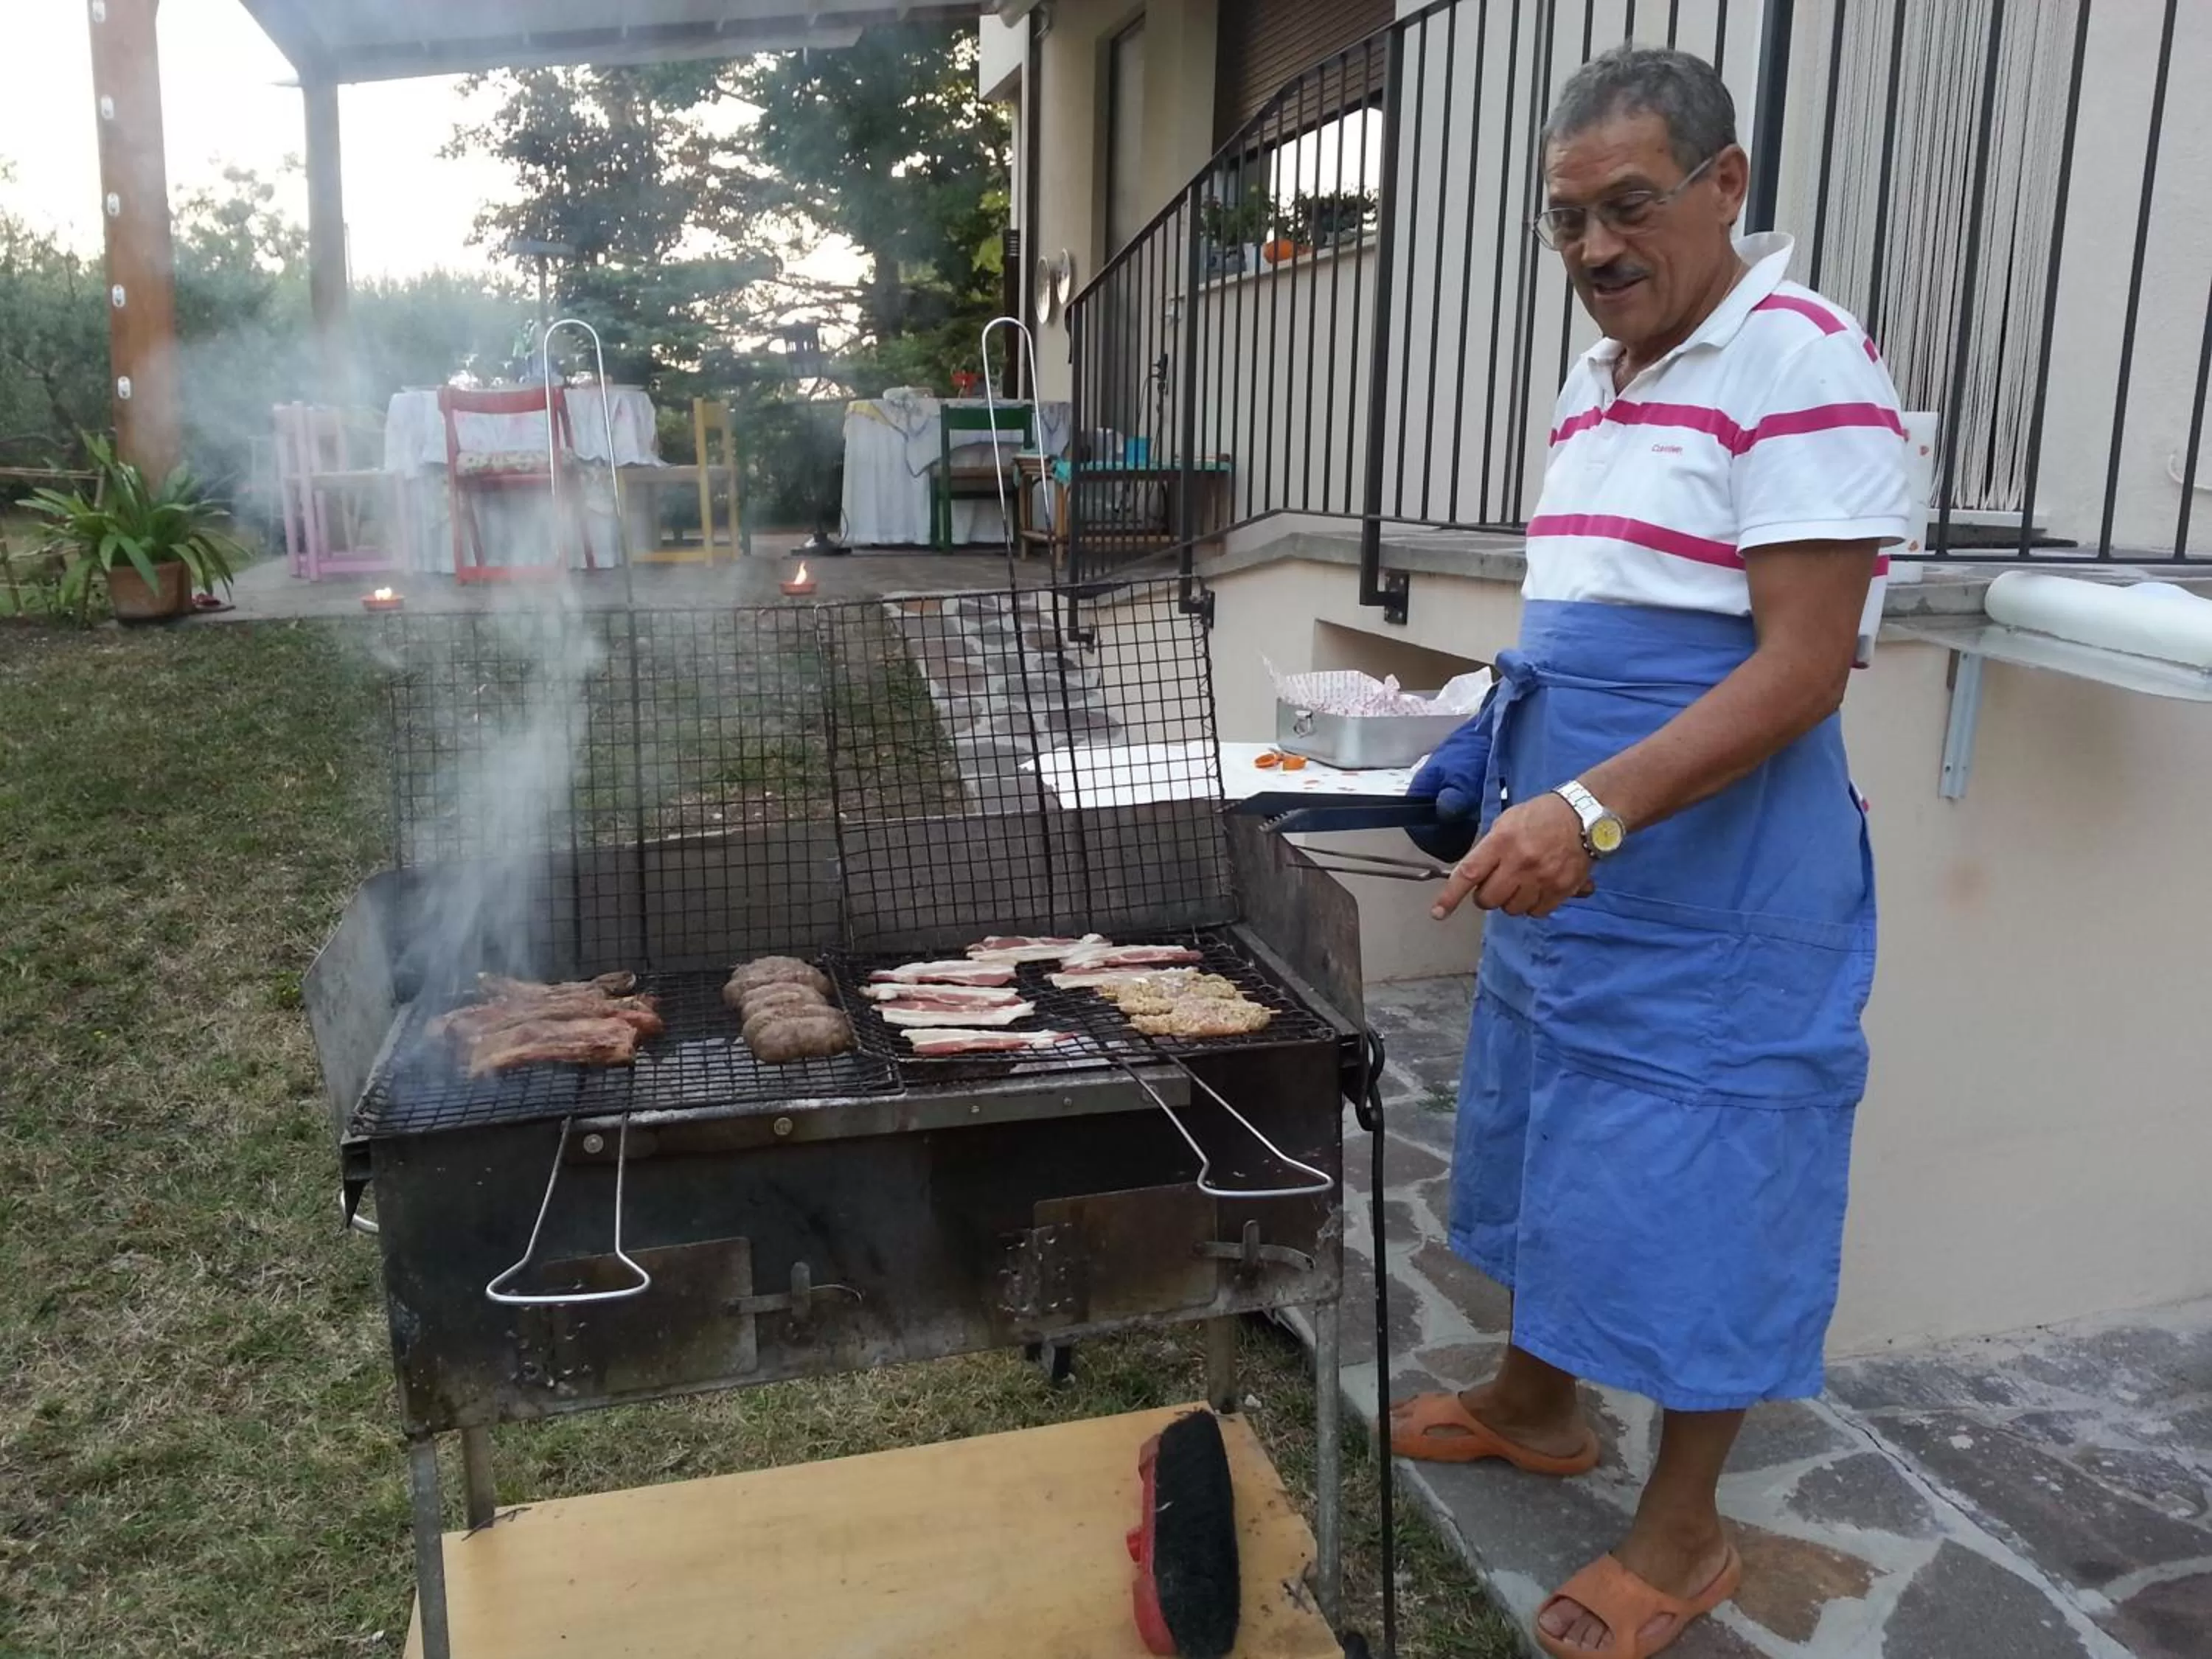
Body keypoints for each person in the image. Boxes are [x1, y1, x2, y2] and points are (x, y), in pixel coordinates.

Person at [1389, 46, 1910, 1659]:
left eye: (1629, 207)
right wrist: (1495, 741)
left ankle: (1681, 1538)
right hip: (1578, 858)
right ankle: (1540, 1402)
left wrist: (1593, 806)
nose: (1597, 249)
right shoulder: (1596, 376)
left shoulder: (1802, 361)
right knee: (1550, 1129)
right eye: (1566, 222)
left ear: (1725, 186)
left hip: (1713, 876)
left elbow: (1801, 665)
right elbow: (1603, 613)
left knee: (1703, 1174)